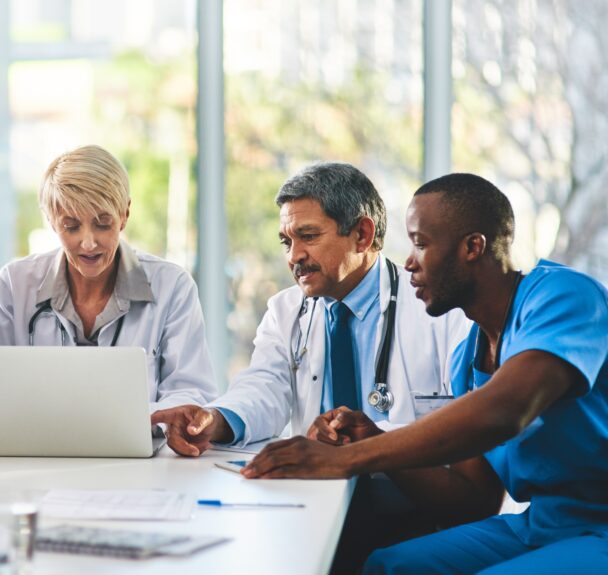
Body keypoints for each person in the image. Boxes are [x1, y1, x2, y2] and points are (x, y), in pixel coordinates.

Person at [245, 173, 608, 574]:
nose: (409, 261)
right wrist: (377, 441)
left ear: (473, 247)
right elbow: (472, 501)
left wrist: (346, 459)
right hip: (541, 525)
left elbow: (506, 409)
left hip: (601, 530)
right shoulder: (467, 358)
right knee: (389, 566)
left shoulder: (564, 297)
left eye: (420, 243)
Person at [151, 163, 470, 571]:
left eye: (308, 236)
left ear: (362, 234)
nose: (294, 256)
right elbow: (264, 388)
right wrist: (213, 419)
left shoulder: (437, 310)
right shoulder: (287, 311)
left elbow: (459, 434)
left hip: (412, 506)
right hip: (319, 503)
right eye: (286, 241)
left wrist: (365, 437)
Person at [0, 145, 217, 410]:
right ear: (50, 221)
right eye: (71, 227)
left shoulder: (172, 287)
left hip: (139, 449)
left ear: (125, 215)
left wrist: (144, 420)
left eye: (103, 224)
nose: (89, 243)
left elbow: (191, 393)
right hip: (36, 448)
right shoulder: (13, 286)